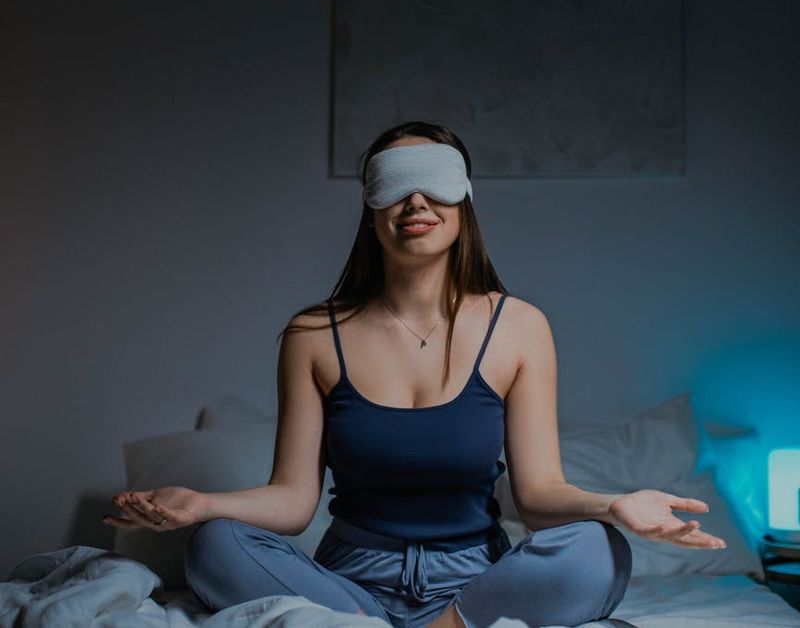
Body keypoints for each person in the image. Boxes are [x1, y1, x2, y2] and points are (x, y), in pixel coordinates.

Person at [105, 121, 728, 628]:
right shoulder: (312, 335)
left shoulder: (520, 327)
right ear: (371, 210)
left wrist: (617, 504)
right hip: (347, 584)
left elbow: (537, 499)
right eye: (395, 186)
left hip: (477, 586)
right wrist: (200, 503)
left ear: (464, 202)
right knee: (215, 544)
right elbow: (294, 502)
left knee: (599, 551)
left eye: (434, 183)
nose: (416, 201)